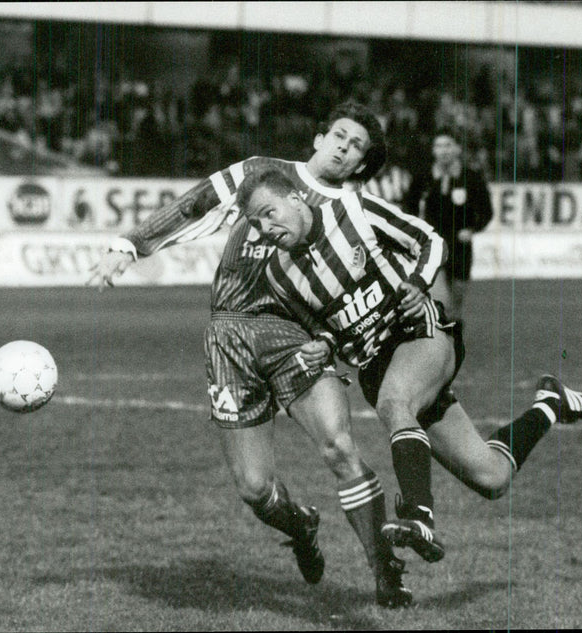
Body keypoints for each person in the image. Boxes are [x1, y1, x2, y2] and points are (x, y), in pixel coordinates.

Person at [88, 100, 411, 608]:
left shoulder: (354, 214)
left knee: (340, 447)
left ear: (362, 164)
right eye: (340, 137)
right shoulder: (262, 173)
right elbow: (195, 205)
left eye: (357, 149)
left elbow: (371, 292)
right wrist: (130, 245)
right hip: (229, 334)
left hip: (296, 336)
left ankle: (385, 571)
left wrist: (339, 337)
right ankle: (301, 525)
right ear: (319, 137)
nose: (345, 150)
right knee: (255, 489)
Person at [235, 167, 582, 566]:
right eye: (256, 223)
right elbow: (324, 329)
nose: (266, 227)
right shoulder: (278, 274)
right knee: (492, 477)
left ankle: (417, 515)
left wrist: (416, 283)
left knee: (395, 404)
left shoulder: (355, 211)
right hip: (375, 367)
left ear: (294, 198)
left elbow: (429, 240)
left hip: (417, 333)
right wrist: (321, 347)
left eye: (269, 212)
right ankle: (551, 403)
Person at [404, 127, 494, 323]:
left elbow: (487, 212)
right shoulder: (423, 178)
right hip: (432, 246)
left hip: (460, 248)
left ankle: (454, 343)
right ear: (433, 150)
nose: (443, 150)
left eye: (448, 145)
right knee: (440, 300)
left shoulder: (470, 178)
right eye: (439, 146)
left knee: (455, 306)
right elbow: (407, 209)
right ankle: (441, 340)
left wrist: (472, 229)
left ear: (457, 149)